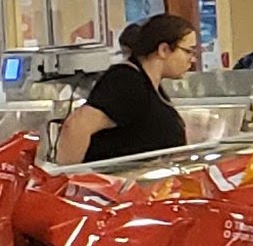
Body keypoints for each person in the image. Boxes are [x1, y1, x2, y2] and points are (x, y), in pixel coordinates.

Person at [55, 13, 201, 165]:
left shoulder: (152, 85)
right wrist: (71, 174)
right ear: (163, 49)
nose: (192, 59)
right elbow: (76, 126)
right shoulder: (126, 81)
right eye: (188, 51)